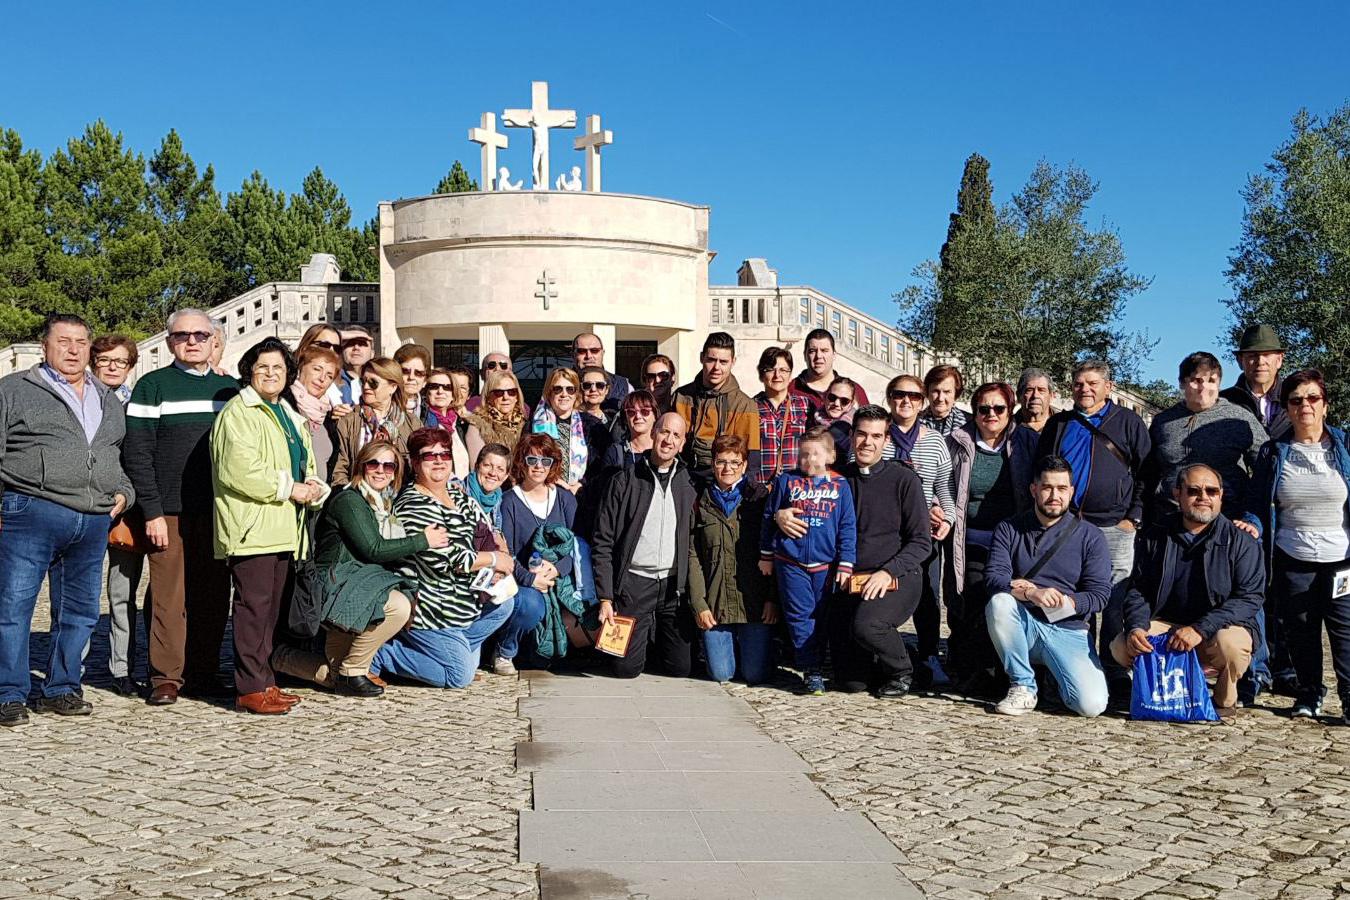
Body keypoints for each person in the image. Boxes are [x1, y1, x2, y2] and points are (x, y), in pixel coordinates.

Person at [0, 314, 133, 727]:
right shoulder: (14, 389)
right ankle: (8, 693)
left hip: (92, 518)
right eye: (64, 341)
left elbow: (113, 453)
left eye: (80, 342)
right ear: (45, 346)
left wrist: (124, 492)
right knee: (14, 607)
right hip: (31, 509)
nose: (73, 350)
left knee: (79, 611)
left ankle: (61, 688)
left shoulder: (106, 397)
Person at [124, 308, 239, 707]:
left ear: (214, 340)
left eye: (200, 335)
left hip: (218, 511)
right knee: (168, 597)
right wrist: (152, 511)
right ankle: (166, 677)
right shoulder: (152, 386)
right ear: (169, 341)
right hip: (168, 511)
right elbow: (138, 454)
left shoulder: (231, 390)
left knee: (213, 595)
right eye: (182, 335)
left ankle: (204, 671)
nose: (192, 342)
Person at [210, 337, 330, 715]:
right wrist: (291, 488)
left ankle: (264, 681)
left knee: (270, 612)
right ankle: (249, 687)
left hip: (284, 527)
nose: (271, 373)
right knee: (252, 610)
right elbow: (239, 470)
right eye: (262, 367)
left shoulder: (286, 413)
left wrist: (314, 486)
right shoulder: (239, 412)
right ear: (249, 371)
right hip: (253, 527)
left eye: (278, 367)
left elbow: (304, 462)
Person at [271, 441, 445, 697]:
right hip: (337, 582)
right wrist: (423, 540)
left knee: (335, 675)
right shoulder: (350, 500)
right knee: (398, 605)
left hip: (358, 581)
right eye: (374, 463)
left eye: (389, 466)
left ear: (395, 473)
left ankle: (280, 659)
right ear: (361, 466)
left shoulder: (383, 504)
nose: (381, 470)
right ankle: (354, 670)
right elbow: (374, 549)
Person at [1035, 359, 1152, 704]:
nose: (1084, 389)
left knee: (1115, 599)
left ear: (1108, 387)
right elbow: (1043, 469)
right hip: (1070, 526)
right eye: (1078, 384)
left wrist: (1134, 517)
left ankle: (1115, 671)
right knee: (1073, 595)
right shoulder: (1059, 424)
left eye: (1092, 383)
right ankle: (1076, 664)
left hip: (1116, 525)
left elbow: (1148, 474)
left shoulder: (1128, 422)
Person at [1113, 464, 1263, 718]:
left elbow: (1249, 598)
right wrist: (1137, 627)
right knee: (1121, 645)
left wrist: (1199, 629)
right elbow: (1138, 589)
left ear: (1221, 495)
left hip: (1218, 628)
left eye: (1211, 491)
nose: (1203, 497)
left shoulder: (1241, 541)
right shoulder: (1155, 535)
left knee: (1232, 647)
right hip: (1169, 625)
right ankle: (1157, 690)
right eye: (1194, 491)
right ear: (1178, 494)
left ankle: (1224, 699)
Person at [371, 428, 517, 688]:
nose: (439, 461)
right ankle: (383, 653)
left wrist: (498, 559)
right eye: (429, 456)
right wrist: (494, 559)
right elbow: (447, 558)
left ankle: (453, 652)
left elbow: (485, 534)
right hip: (431, 608)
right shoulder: (413, 504)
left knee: (505, 605)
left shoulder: (459, 496)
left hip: (464, 603)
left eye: (444, 454)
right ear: (415, 462)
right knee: (459, 676)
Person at [803, 406, 932, 697]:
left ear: (887, 440)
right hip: (849, 579)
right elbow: (795, 493)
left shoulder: (904, 480)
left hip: (895, 575)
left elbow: (921, 542)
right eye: (861, 434)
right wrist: (782, 514)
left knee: (868, 626)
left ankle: (902, 670)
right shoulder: (836, 479)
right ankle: (898, 656)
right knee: (851, 683)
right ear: (851, 436)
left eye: (876, 436)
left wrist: (887, 572)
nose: (867, 442)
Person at [1243, 370, 1350, 722]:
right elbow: (1258, 502)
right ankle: (1309, 694)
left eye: (1313, 398)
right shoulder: (1274, 452)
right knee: (1301, 631)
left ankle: (1349, 698)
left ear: (1325, 405)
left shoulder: (1344, 447)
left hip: (1341, 559)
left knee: (1345, 630)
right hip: (1293, 555)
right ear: (1287, 409)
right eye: (1296, 400)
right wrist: (1252, 525)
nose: (1305, 405)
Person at [985, 455, 1112, 717]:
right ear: (1034, 490)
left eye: (1062, 488)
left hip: (1069, 630)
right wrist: (1030, 592)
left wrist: (1068, 601)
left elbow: (1100, 594)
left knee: (1091, 706)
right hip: (1024, 626)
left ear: (1071, 491)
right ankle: (1023, 685)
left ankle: (1055, 677)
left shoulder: (1091, 536)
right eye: (1047, 487)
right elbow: (994, 578)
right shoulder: (1009, 528)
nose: (1055, 496)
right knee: (1000, 602)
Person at [946, 382, 1038, 693]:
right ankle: (976, 670)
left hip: (1012, 540)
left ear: (1010, 410)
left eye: (999, 408)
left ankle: (1005, 669)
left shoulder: (1026, 441)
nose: (991, 414)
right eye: (983, 409)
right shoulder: (957, 442)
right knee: (973, 598)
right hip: (971, 537)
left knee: (1006, 599)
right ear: (974, 412)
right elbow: (943, 483)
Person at [592, 413, 697, 679]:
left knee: (680, 669)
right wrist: (606, 597)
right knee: (625, 670)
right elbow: (603, 541)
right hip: (635, 583)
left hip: (673, 586)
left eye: (676, 435)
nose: (669, 440)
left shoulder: (689, 483)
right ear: (653, 433)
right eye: (664, 432)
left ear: (682, 443)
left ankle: (651, 638)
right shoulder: (624, 480)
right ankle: (639, 640)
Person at [759, 428, 856, 695]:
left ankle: (820, 659)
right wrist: (766, 555)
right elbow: (768, 517)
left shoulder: (840, 486)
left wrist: (846, 562)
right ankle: (810, 668)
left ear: (830, 456)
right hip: (791, 562)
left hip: (825, 565)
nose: (809, 460)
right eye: (803, 454)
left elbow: (847, 526)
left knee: (821, 614)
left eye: (815, 454)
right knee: (799, 616)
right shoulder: (786, 481)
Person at [881, 372, 957, 685]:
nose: (906, 401)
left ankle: (928, 654)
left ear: (922, 402)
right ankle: (884, 655)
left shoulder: (934, 441)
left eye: (913, 396)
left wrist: (948, 518)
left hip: (922, 533)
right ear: (889, 398)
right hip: (883, 532)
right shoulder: (877, 436)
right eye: (899, 394)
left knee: (928, 594)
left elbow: (945, 488)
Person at [494, 434, 589, 674]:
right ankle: (505, 650)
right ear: (521, 462)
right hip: (523, 580)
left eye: (546, 461)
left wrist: (557, 569)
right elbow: (508, 553)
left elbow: (577, 546)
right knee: (531, 604)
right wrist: (531, 579)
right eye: (532, 460)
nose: (539, 466)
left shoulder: (565, 499)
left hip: (560, 579)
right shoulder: (509, 502)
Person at [689, 435, 779, 685]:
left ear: (744, 465)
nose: (727, 468)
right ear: (712, 464)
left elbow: (775, 551)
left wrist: (772, 599)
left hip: (754, 602)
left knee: (754, 675)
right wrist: (699, 604)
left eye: (734, 462)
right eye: (721, 462)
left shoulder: (758, 499)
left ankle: (765, 650)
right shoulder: (701, 501)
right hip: (716, 601)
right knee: (721, 673)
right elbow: (693, 555)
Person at [1146, 351, 1265, 520]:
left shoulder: (1240, 419)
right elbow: (1148, 473)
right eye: (1196, 381)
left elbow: (1266, 468)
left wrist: (1252, 517)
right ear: (1182, 383)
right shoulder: (1163, 422)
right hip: (1169, 518)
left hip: (1226, 518)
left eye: (1211, 381)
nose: (1204, 388)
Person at [90, 334, 142, 696]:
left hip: (128, 510)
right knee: (78, 594)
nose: (112, 367)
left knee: (122, 594)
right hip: (86, 507)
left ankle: (122, 668)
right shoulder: (79, 401)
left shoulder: (136, 403)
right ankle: (70, 669)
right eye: (105, 360)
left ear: (130, 367)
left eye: (120, 361)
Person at [672, 331, 761, 476]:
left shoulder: (745, 405)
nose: (716, 368)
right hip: (682, 474)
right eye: (711, 360)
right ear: (701, 358)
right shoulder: (681, 397)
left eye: (723, 362)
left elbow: (752, 459)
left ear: (733, 362)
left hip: (725, 479)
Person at [330, 357, 414, 487]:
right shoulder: (348, 419)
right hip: (357, 492)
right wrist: (348, 495)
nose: (366, 387)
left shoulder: (411, 423)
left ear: (393, 387)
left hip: (399, 494)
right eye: (363, 381)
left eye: (373, 383)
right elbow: (339, 468)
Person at [531, 367, 611, 495]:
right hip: (543, 491)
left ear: (576, 394)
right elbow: (527, 459)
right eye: (558, 389)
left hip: (581, 494)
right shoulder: (534, 424)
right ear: (549, 392)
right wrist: (553, 480)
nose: (564, 394)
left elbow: (601, 464)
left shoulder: (592, 425)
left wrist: (581, 484)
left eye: (570, 389)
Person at [754, 346, 812, 487]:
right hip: (761, 489)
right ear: (761, 375)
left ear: (790, 375)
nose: (777, 375)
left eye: (783, 370)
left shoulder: (805, 406)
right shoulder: (751, 407)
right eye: (770, 370)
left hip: (797, 488)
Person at [1221, 324, 1289, 438]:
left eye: (1266, 355)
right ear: (1240, 361)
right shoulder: (1223, 402)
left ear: (1279, 360)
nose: (1260, 361)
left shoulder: (1297, 400)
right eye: (1253, 355)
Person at [288, 345, 341, 482]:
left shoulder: (328, 417)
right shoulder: (284, 405)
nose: (322, 378)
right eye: (317, 369)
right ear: (301, 368)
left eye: (329, 376)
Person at [788, 328, 869, 413]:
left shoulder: (855, 391)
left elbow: (869, 420)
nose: (818, 356)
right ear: (805, 355)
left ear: (834, 355)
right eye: (812, 351)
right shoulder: (790, 389)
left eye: (824, 351)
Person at [465, 369, 528, 462]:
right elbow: (477, 466)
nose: (506, 397)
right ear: (488, 396)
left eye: (511, 392)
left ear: (517, 396)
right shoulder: (478, 426)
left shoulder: (526, 424)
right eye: (499, 393)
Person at [422, 368, 472, 480]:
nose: (440, 391)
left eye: (447, 387)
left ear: (453, 394)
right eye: (434, 386)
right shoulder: (421, 422)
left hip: (463, 488)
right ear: (426, 392)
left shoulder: (461, 424)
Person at [572, 332, 631, 411]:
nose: (589, 356)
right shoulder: (560, 385)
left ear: (602, 353)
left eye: (594, 350)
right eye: (582, 351)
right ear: (573, 355)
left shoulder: (623, 386)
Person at [920, 364, 968, 437]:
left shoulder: (970, 424)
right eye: (935, 391)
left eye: (947, 392)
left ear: (956, 395)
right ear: (927, 392)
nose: (940, 398)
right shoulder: (913, 423)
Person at [816, 375, 858, 456]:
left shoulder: (857, 427)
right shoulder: (811, 418)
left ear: (851, 404)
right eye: (832, 397)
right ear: (825, 396)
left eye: (844, 401)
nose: (836, 404)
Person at [394, 343, 432, 421]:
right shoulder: (382, 407)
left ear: (425, 380)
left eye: (418, 373)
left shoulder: (430, 414)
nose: (411, 377)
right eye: (405, 371)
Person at [337, 326, 374, 406]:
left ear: (372, 353)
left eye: (361, 344)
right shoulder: (330, 380)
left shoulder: (381, 381)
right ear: (341, 351)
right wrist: (338, 335)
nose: (356, 348)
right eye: (350, 343)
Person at [1014, 368, 1056, 433]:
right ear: (1019, 396)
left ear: (1051, 396)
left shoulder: (1064, 425)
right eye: (1029, 390)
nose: (1035, 395)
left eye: (1041, 390)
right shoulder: (1006, 427)